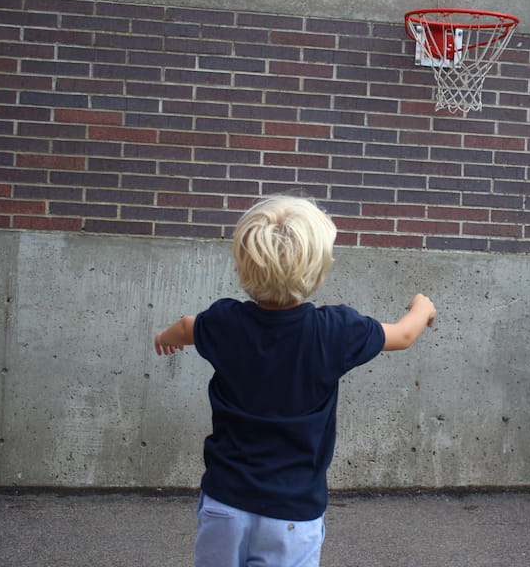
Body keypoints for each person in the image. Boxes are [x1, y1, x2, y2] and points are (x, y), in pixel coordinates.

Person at [154, 195, 436, 567]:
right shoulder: (334, 331)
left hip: (225, 504)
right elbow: (402, 336)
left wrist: (166, 339)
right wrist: (423, 306)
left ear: (244, 266)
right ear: (318, 270)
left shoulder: (224, 322)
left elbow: (188, 326)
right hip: (291, 513)